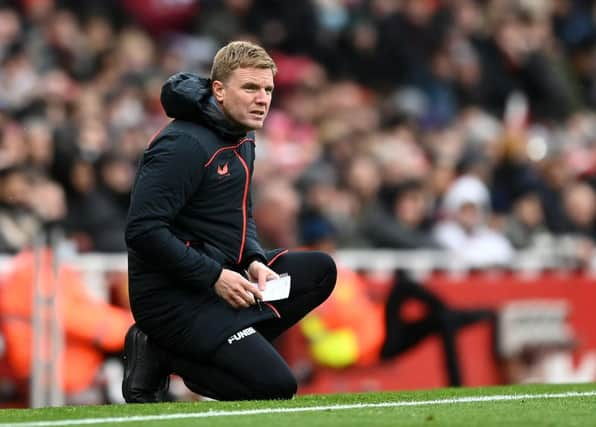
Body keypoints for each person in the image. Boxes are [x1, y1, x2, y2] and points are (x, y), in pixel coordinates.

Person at [123, 41, 337, 402]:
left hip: (223, 280)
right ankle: (161, 351)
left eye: (268, 89)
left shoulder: (242, 134)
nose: (262, 99)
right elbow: (143, 230)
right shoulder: (183, 144)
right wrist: (215, 277)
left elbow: (240, 214)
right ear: (219, 90)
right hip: (176, 299)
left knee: (319, 271)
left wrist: (252, 259)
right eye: (250, 88)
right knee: (277, 387)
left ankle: (222, 343)